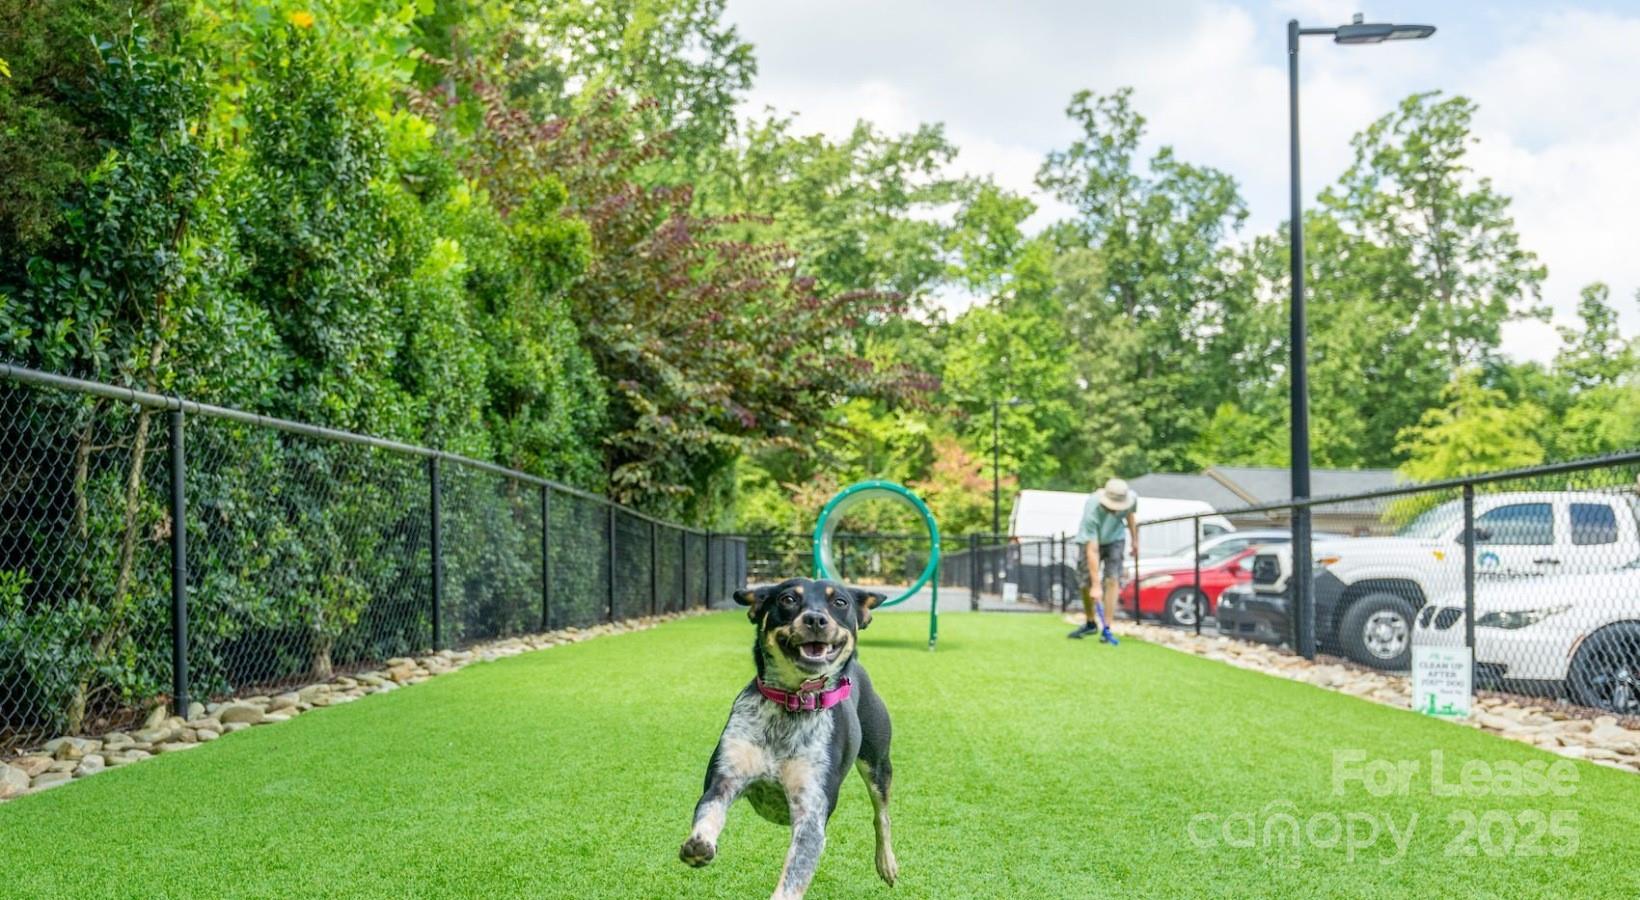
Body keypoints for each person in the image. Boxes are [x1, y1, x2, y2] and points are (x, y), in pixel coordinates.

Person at [1068, 477, 1139, 644]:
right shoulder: (1091, 507)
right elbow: (1092, 549)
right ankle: (1091, 622)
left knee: (1112, 578)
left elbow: (1130, 516)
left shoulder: (1132, 499)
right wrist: (1095, 585)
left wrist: (1135, 540)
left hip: (1116, 538)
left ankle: (1107, 627)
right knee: (1086, 583)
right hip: (1093, 540)